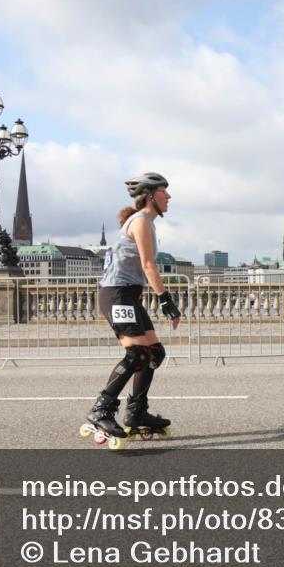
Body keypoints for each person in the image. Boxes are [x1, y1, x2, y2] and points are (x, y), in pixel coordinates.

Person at [86, 172, 181, 444]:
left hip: (128, 294)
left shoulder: (146, 222)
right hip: (117, 294)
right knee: (137, 354)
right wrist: (166, 301)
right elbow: (148, 265)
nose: (169, 196)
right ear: (151, 196)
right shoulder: (140, 221)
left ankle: (137, 412)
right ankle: (101, 410)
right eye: (165, 191)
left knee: (153, 353)